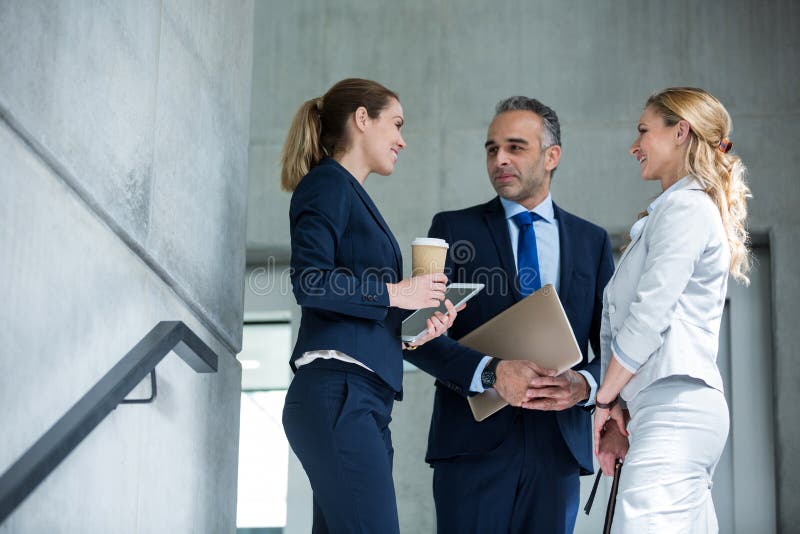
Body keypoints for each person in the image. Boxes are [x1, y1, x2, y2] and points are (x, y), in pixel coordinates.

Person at [405, 96, 614, 534]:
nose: (500, 159)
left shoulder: (591, 242)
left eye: (516, 147)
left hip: (557, 448)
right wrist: (489, 372)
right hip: (472, 448)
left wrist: (585, 385)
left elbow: (612, 344)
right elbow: (415, 335)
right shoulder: (452, 230)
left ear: (551, 156)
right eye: (491, 148)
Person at [280, 78, 460, 534]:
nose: (402, 139)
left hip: (362, 398)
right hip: (339, 395)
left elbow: (359, 310)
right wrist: (398, 293)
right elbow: (311, 281)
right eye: (395, 124)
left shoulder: (349, 194)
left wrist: (417, 327)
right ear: (362, 119)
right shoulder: (326, 185)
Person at [593, 87, 750, 533]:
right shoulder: (672, 211)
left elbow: (648, 318)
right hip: (661, 409)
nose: (634, 145)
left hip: (676, 410)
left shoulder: (685, 208)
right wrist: (620, 410)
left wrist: (604, 402)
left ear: (680, 131)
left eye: (643, 131)